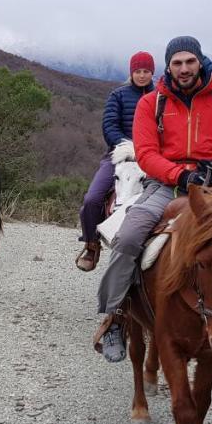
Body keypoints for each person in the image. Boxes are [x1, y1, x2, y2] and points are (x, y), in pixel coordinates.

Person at [94, 35, 212, 371]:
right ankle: (116, 318)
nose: (183, 69)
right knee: (128, 238)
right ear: (168, 66)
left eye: (189, 62)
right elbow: (147, 154)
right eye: (177, 63)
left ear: (199, 62)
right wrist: (178, 175)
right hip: (165, 186)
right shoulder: (151, 104)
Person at [76, 51, 156, 271]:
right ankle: (92, 245)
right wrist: (128, 147)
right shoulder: (118, 96)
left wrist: (150, 150)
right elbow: (109, 126)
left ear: (152, 72)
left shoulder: (161, 96)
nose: (141, 75)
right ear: (131, 72)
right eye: (138, 71)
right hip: (119, 154)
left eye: (146, 71)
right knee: (92, 199)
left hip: (153, 156)